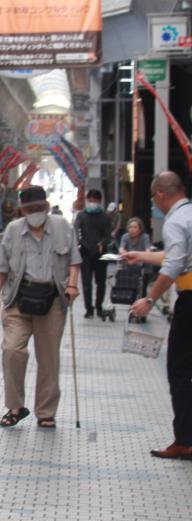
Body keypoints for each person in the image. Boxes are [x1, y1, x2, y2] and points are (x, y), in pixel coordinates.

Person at [0, 186, 81, 430]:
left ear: (47, 206)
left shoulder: (63, 227)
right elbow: (2, 267)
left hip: (51, 300)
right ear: (22, 210)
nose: (35, 213)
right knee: (12, 350)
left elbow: (74, 260)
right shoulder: (13, 230)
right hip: (18, 299)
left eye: (39, 208)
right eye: (30, 209)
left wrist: (72, 285)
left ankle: (46, 412)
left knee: (48, 358)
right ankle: (15, 407)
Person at [123, 172, 192, 459]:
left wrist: (150, 299)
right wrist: (141, 256)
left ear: (161, 195)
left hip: (190, 300)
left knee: (179, 370)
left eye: (153, 199)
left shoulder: (175, 221)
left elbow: (175, 264)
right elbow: (178, 256)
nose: (154, 204)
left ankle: (185, 440)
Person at [74, 188, 115, 319]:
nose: (92, 203)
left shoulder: (105, 217)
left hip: (101, 254)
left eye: (95, 200)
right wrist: (79, 242)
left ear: (99, 201)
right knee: (86, 283)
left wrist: (102, 243)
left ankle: (99, 306)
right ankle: (89, 309)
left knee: (101, 282)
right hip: (85, 253)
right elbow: (75, 230)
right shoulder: (81, 216)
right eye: (90, 200)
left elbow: (108, 235)